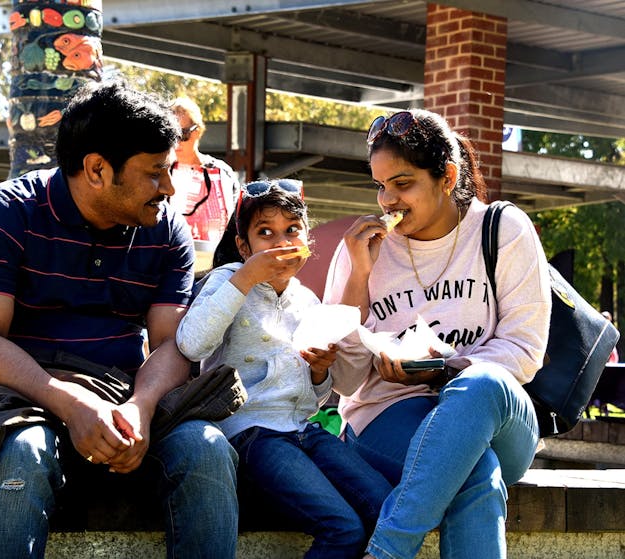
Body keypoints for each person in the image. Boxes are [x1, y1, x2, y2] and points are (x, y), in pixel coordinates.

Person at [0, 80, 238, 558]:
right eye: (156, 172)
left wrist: (142, 408)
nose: (169, 188)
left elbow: (172, 344)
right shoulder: (3, 213)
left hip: (125, 397)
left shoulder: (165, 228)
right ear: (96, 169)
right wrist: (71, 405)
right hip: (15, 398)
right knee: (20, 455)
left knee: (208, 446)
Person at [323, 109, 552, 559]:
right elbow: (345, 382)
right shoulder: (361, 251)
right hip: (387, 415)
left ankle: (388, 549)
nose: (388, 201)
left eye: (403, 184)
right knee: (475, 474)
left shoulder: (501, 231)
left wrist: (441, 369)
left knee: (481, 383)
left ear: (446, 176)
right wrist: (357, 279)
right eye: (380, 185)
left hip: (498, 415)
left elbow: (526, 351)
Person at [177, 179, 392, 558]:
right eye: (265, 233)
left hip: (303, 431)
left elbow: (319, 395)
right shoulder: (227, 280)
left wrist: (319, 373)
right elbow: (192, 345)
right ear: (244, 246)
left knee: (385, 508)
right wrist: (245, 276)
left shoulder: (306, 300)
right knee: (342, 528)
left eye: (292, 230)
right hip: (251, 434)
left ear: (307, 240)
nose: (281, 242)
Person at [168, 96, 239, 245]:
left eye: (183, 134)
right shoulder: (160, 171)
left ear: (198, 131)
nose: (177, 142)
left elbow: (236, 220)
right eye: (171, 135)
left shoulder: (221, 173)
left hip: (214, 258)